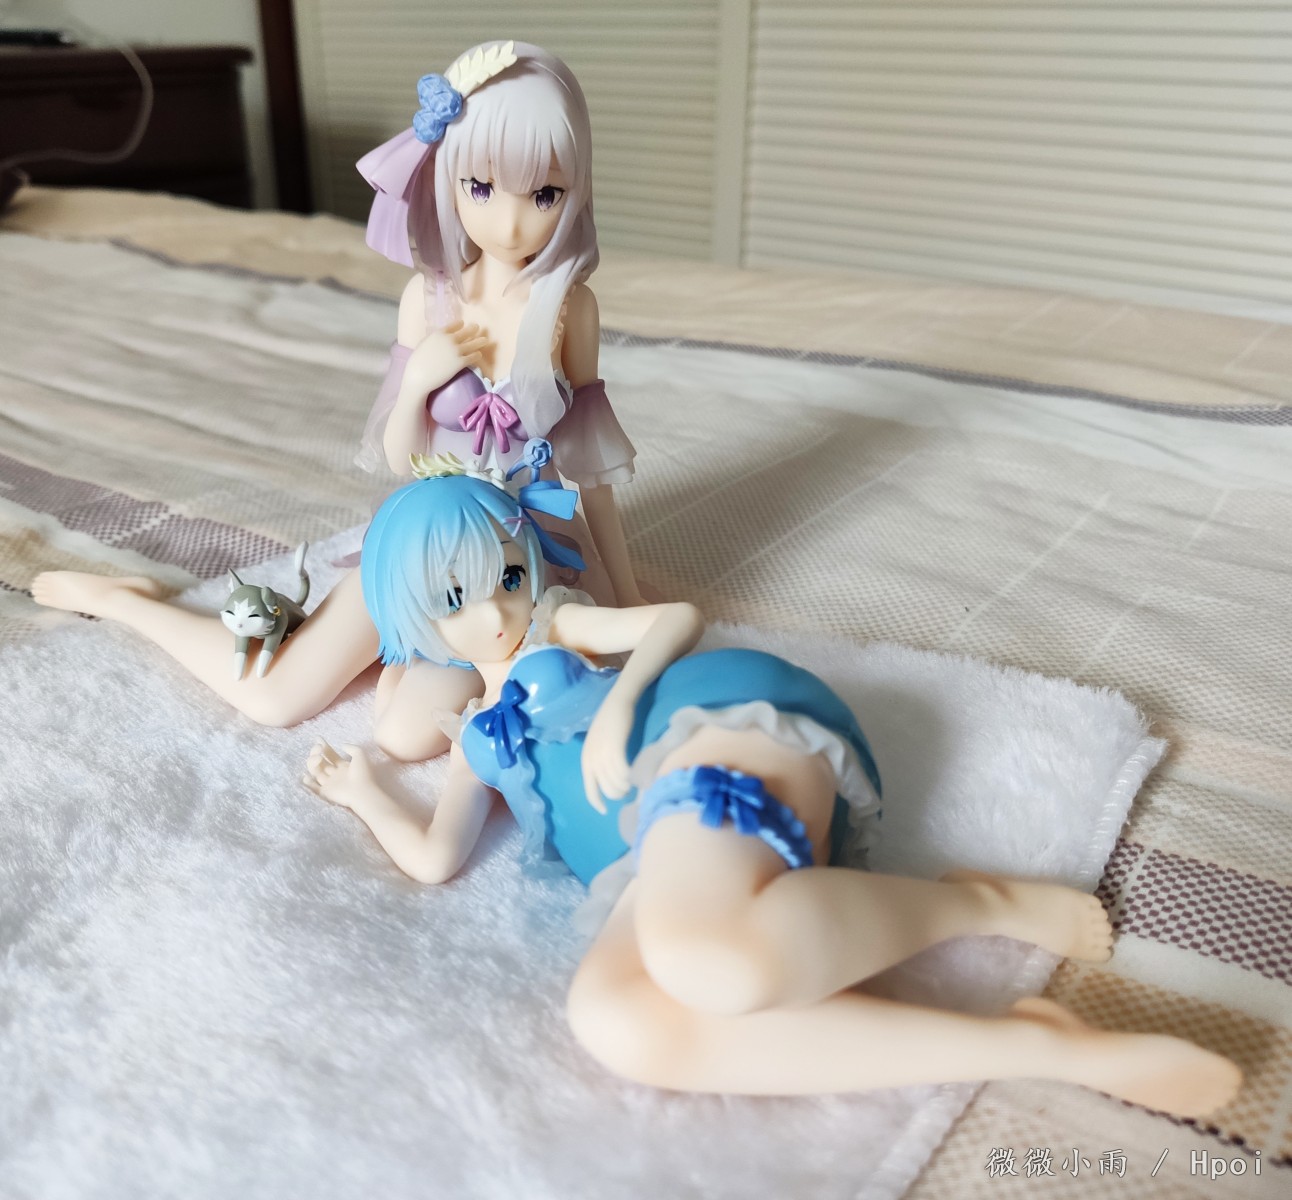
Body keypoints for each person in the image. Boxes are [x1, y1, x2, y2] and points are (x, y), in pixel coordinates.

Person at [302, 448, 1241, 1114]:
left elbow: (675, 619)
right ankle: (1028, 1044)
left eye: (506, 574)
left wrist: (620, 711)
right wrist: (365, 792)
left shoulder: (558, 626)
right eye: (454, 600)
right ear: (414, 621)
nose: (494, 610)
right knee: (617, 1016)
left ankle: (978, 903)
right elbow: (436, 857)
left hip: (706, 735)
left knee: (698, 958)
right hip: (655, 856)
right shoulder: (477, 740)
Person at [31, 41, 643, 762]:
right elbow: (400, 457)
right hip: (429, 535)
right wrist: (419, 381)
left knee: (418, 733)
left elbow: (592, 472)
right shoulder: (429, 298)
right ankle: (125, 601)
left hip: (521, 556)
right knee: (276, 697)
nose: (511, 224)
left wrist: (627, 592)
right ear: (447, 176)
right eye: (481, 187)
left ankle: (405, 660)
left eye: (544, 195)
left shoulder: (569, 309)